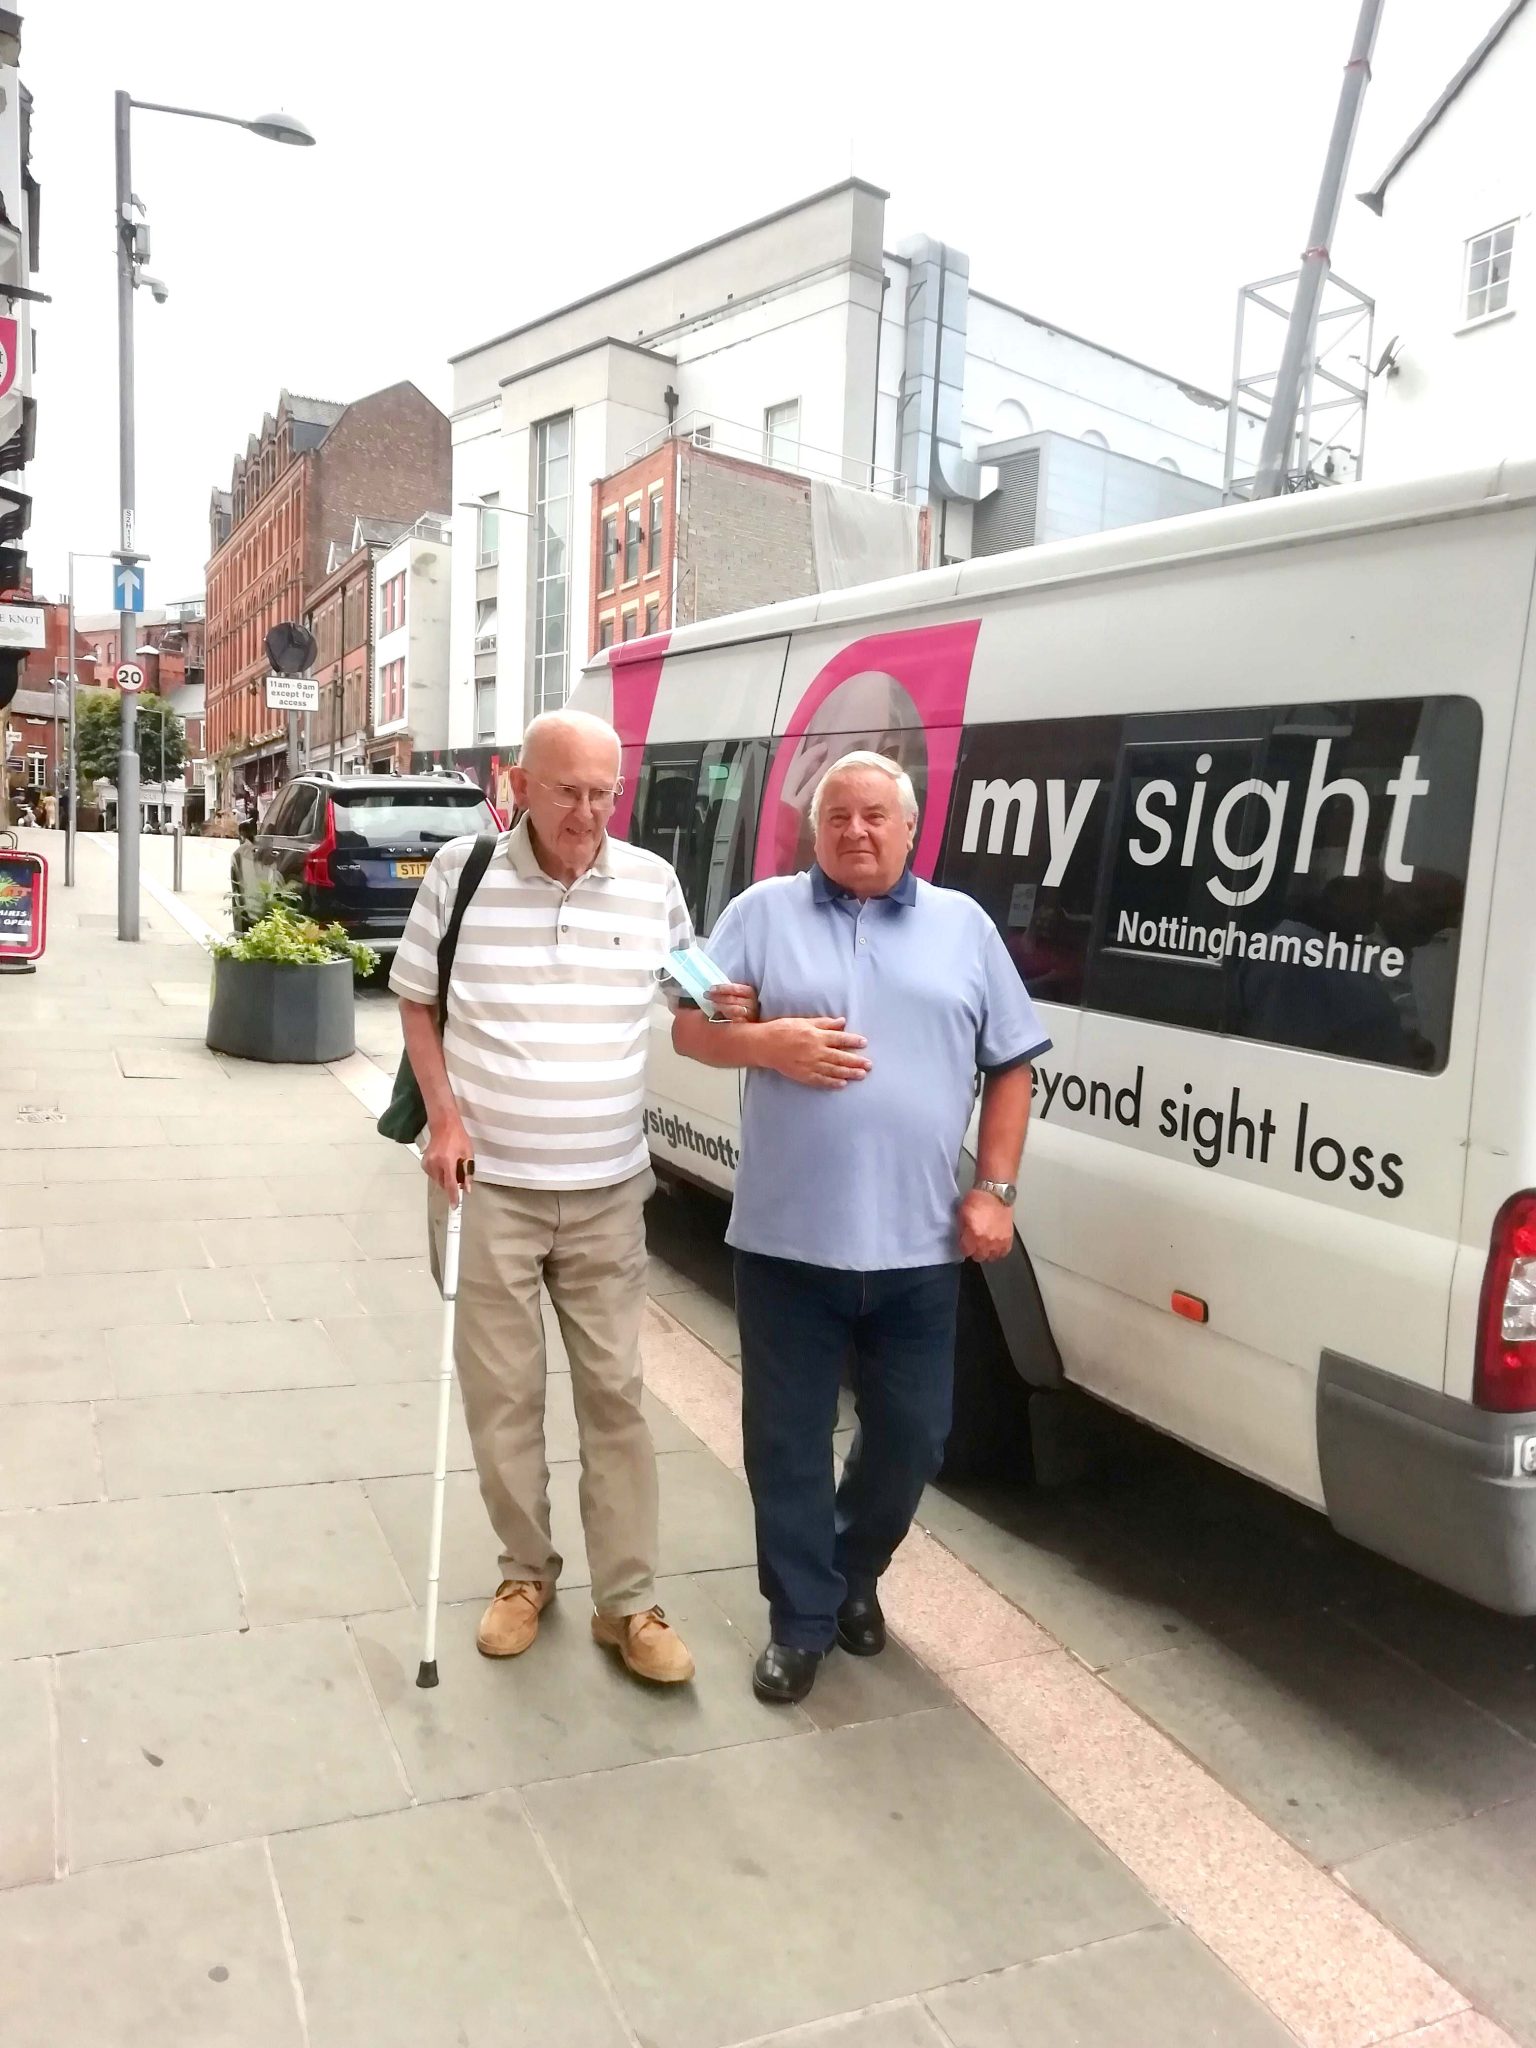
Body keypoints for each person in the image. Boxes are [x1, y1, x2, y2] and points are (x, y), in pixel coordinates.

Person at [673, 750, 1050, 1703]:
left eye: (875, 815)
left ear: (910, 828)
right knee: (785, 1441)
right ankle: (802, 1619)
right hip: (786, 1242)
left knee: (915, 1435)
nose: (856, 831)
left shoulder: (963, 927)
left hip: (921, 1246)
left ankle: (854, 1568)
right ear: (813, 828)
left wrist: (995, 1192)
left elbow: (1012, 1065)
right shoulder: (762, 912)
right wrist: (768, 1042)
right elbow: (693, 1026)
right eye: (837, 815)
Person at [391, 709, 696, 1686]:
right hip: (489, 1191)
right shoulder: (462, 872)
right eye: (568, 789)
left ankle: (630, 1602)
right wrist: (444, 1117)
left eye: (606, 791)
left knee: (617, 1397)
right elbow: (415, 998)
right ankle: (526, 1574)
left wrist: (757, 1012)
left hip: (606, 1189)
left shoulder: (649, 883)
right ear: (520, 783)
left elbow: (702, 989)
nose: (589, 810)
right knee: (503, 1402)